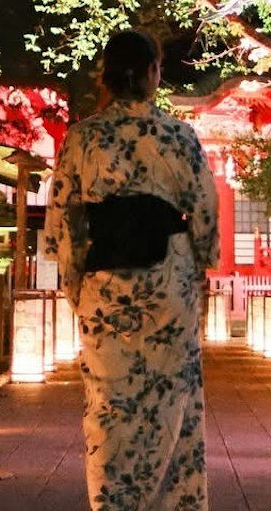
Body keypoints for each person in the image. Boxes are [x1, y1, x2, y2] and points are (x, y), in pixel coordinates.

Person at [43, 30, 220, 511]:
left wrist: (74, 282)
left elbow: (64, 219)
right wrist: (201, 264)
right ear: (151, 73)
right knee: (173, 396)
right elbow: (204, 211)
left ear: (106, 76)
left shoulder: (82, 137)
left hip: (105, 287)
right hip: (169, 283)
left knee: (109, 403)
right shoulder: (178, 136)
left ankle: (114, 502)